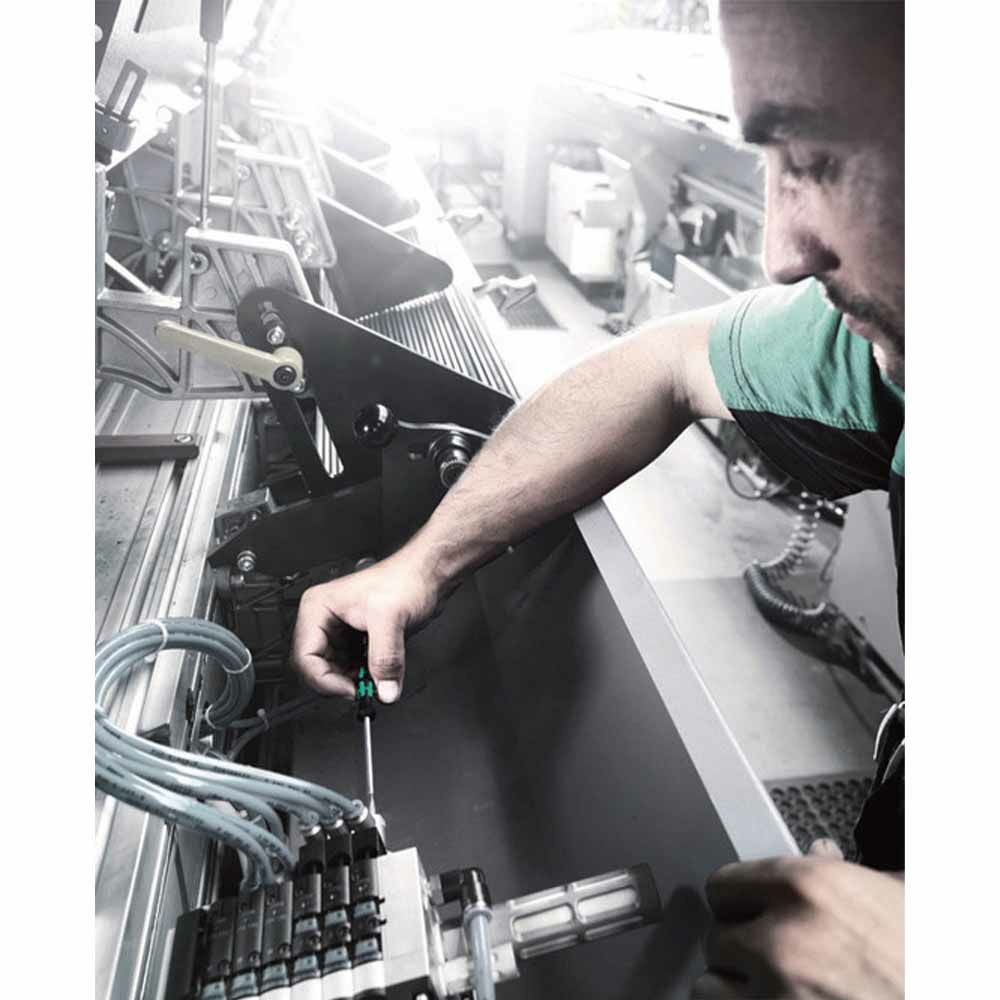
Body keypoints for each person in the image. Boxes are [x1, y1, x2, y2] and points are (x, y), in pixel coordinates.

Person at [292, 2, 905, 996]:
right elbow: (662, 366)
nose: (782, 252)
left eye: (818, 160)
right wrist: (422, 563)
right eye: (772, 161)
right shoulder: (896, 352)